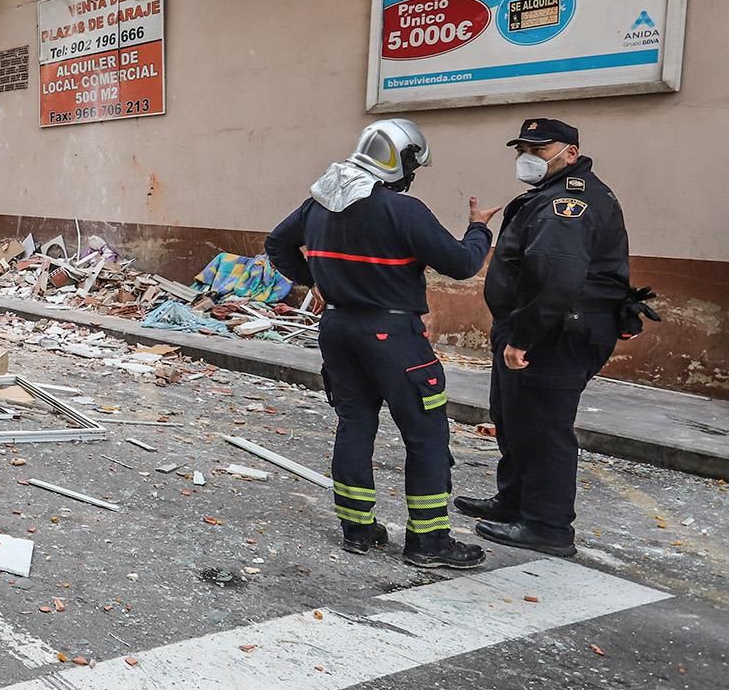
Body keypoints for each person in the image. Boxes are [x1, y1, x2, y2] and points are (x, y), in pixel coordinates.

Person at [266, 120, 501, 569]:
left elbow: (277, 244)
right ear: (402, 162)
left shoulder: (319, 204)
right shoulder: (403, 210)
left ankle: (358, 530)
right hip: (393, 338)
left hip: (338, 332)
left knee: (354, 425)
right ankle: (429, 543)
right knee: (426, 435)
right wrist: (478, 229)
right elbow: (461, 264)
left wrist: (316, 279)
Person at [454, 119, 630, 557]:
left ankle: (548, 525)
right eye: (523, 149)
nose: (527, 157)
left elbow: (557, 278)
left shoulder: (569, 202)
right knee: (513, 417)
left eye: (539, 148)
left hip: (557, 330)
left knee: (543, 426)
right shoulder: (547, 196)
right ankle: (514, 501)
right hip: (537, 324)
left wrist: (523, 338)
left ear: (569, 152)